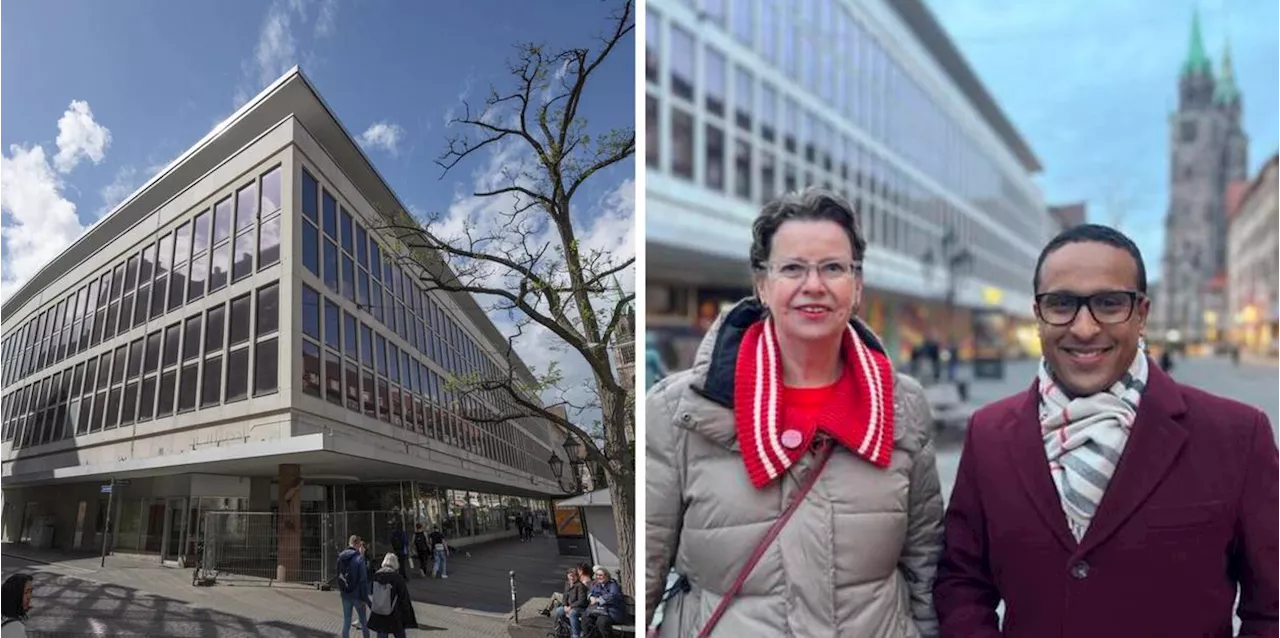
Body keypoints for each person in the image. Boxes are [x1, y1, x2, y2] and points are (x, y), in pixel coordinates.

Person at [934, 224, 1280, 637]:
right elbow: (962, 581)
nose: (1083, 327)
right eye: (1061, 304)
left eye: (1110, 303)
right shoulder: (989, 433)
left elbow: (1272, 608)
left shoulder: (1237, 435)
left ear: (1142, 314)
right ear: (1038, 315)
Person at [645, 188, 943, 636]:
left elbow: (925, 563)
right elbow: (646, 563)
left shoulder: (905, 405)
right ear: (762, 285)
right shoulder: (679, 411)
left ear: (857, 285)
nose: (814, 285)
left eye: (833, 268)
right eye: (793, 268)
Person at [367, 553, 415, 638]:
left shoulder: (376, 576)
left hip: (379, 611)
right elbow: (404, 598)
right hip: (395, 613)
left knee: (381, 633)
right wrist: (407, 615)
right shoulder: (397, 578)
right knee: (400, 634)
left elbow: (371, 591)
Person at [336, 535, 371, 638]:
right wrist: (366, 599)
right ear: (356, 544)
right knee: (363, 621)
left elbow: (338, 575)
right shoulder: (359, 558)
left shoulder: (340, 557)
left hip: (345, 594)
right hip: (357, 595)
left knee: (347, 621)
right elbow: (363, 580)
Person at [581, 566, 627, 638]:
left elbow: (613, 596)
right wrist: (590, 597)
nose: (599, 577)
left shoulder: (612, 584)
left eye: (601, 575)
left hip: (612, 612)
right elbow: (590, 592)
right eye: (597, 575)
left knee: (601, 622)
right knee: (586, 618)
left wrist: (598, 600)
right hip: (599, 611)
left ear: (607, 575)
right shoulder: (596, 584)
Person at [550, 566, 589, 638]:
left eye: (574, 576)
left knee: (572, 613)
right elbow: (565, 596)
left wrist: (570, 607)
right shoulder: (567, 583)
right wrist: (564, 605)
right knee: (559, 611)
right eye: (570, 576)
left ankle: (575, 634)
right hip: (568, 606)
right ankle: (566, 628)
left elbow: (581, 600)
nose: (572, 578)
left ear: (577, 577)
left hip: (579, 607)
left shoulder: (580, 586)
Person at [0, 573, 33, 637]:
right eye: (26, 592)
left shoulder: (3, 619)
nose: (29, 597)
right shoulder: (15, 627)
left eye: (30, 592)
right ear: (15, 595)